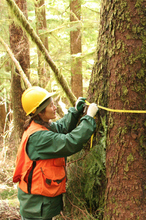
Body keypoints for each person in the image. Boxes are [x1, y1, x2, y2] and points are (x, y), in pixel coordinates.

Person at [13, 86, 99, 220]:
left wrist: (75, 112)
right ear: (40, 112)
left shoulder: (40, 125)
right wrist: (88, 118)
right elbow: (69, 142)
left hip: (40, 203)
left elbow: (60, 128)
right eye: (51, 105)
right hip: (36, 206)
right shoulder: (38, 137)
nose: (54, 107)